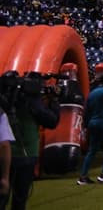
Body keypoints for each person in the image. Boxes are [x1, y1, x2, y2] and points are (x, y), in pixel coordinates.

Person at [4, 72, 60, 208]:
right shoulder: (32, 103)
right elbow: (52, 121)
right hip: (25, 154)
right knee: (19, 198)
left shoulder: (6, 100)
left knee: (2, 196)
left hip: (4, 154)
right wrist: (54, 101)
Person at [78, 72, 103, 185]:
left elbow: (87, 111)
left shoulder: (92, 93)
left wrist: (85, 125)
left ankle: (83, 176)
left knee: (92, 150)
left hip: (92, 122)